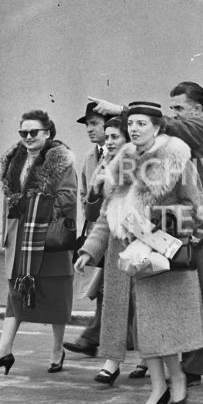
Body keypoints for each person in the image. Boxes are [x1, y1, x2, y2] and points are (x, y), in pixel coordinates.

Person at [89, 84, 203, 383]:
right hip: (192, 226)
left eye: (180, 108)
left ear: (197, 109)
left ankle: (192, 370)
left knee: (201, 299)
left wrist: (123, 111)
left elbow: (165, 125)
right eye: (172, 108)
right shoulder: (188, 136)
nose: (175, 114)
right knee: (197, 290)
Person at [76, 101, 203, 404]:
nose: (134, 129)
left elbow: (195, 208)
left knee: (163, 328)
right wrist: (89, 250)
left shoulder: (177, 159)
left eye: (141, 124)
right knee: (148, 329)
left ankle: (177, 382)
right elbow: (108, 214)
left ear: (157, 127)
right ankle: (158, 387)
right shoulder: (123, 161)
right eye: (131, 123)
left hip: (162, 255)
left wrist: (155, 215)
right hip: (133, 258)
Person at [0, 109, 78, 376]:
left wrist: (33, 205)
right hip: (18, 238)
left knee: (55, 296)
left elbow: (68, 198)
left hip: (47, 237)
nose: (28, 137)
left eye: (34, 132)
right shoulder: (15, 160)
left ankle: (57, 349)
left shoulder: (61, 162)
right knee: (16, 294)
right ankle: (3, 351)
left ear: (47, 133)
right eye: (24, 132)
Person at [85, 115, 135, 386]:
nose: (110, 142)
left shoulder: (138, 164)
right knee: (115, 305)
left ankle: (146, 360)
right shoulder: (104, 164)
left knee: (141, 306)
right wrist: (95, 189)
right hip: (116, 246)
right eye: (108, 137)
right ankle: (111, 362)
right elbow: (98, 213)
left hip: (141, 244)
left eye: (116, 137)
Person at [62, 103, 108, 361]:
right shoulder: (91, 157)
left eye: (94, 124)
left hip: (117, 231)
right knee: (106, 288)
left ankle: (92, 338)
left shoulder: (121, 153)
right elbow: (83, 193)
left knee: (109, 288)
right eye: (87, 125)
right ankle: (96, 338)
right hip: (98, 231)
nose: (89, 129)